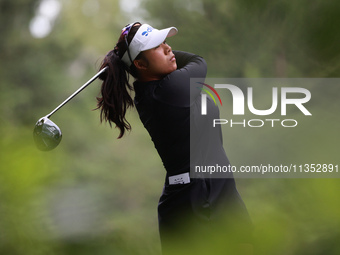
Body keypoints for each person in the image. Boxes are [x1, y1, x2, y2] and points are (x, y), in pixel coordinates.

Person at [96, 22, 252, 255]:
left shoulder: (161, 86)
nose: (169, 49)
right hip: (196, 200)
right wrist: (124, 58)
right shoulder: (167, 91)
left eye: (166, 43)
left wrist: (128, 58)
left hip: (216, 188)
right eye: (158, 47)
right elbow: (199, 61)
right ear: (140, 64)